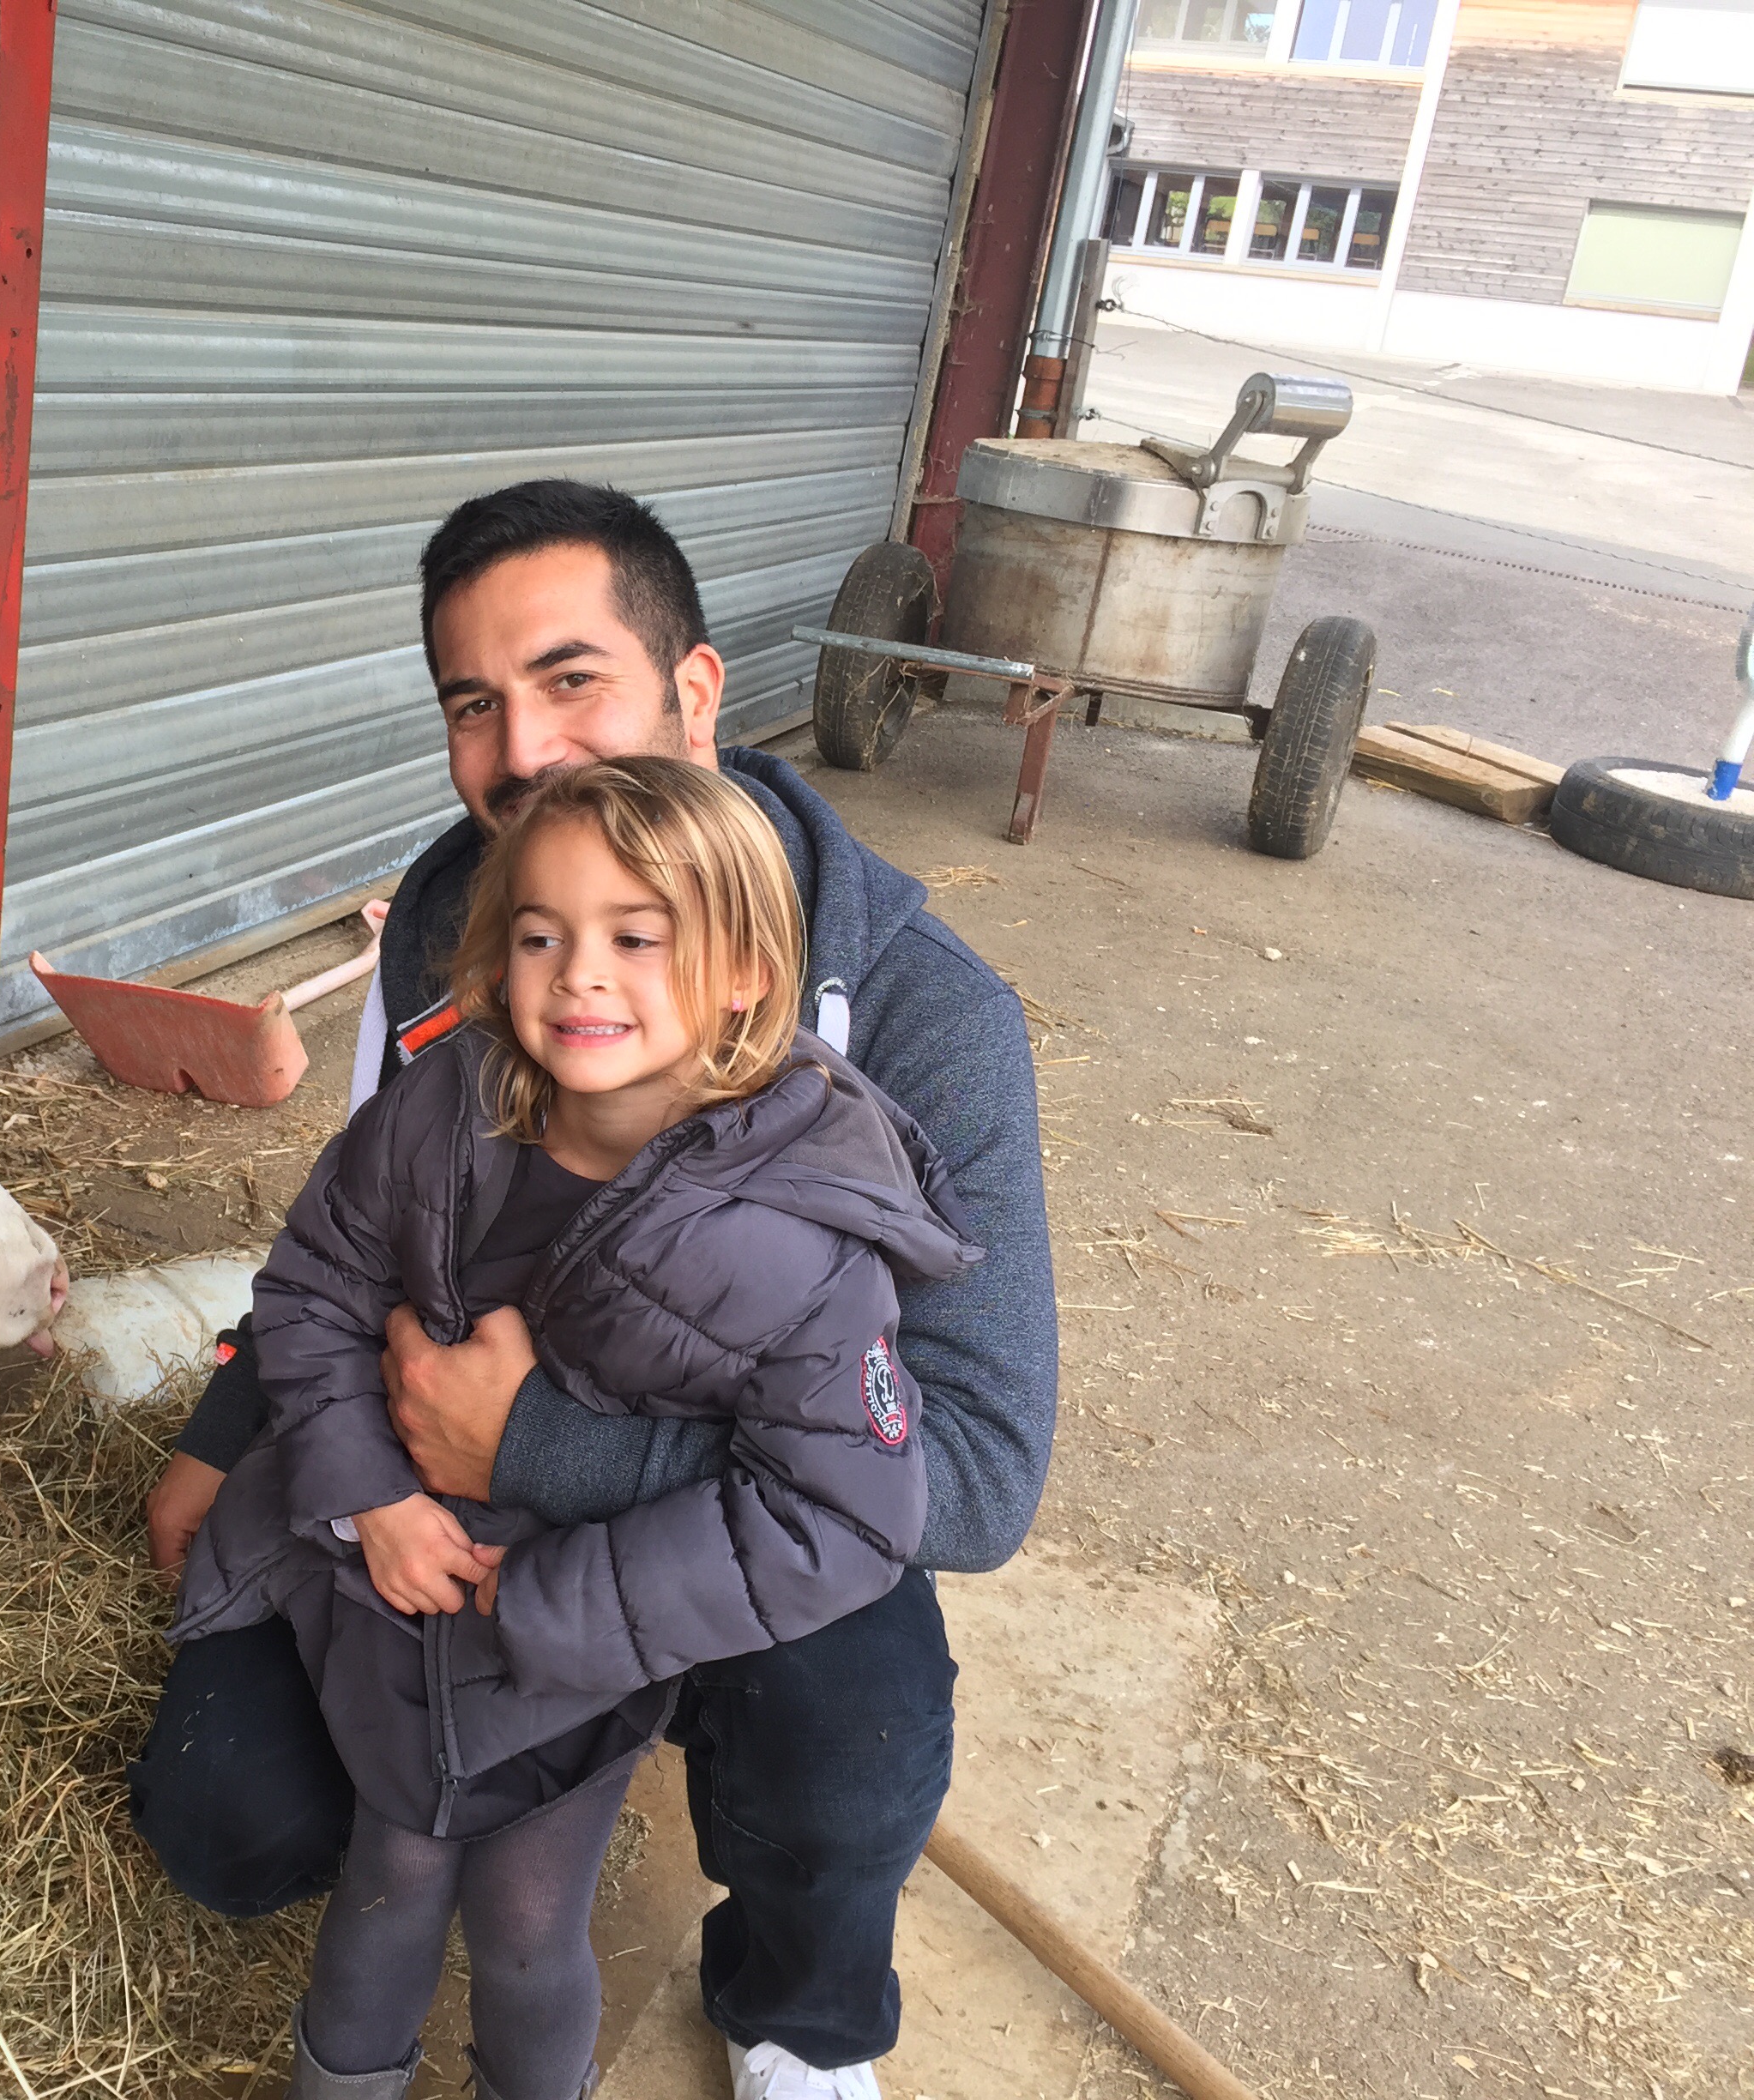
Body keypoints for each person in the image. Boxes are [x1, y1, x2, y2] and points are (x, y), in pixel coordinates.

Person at [132, 480, 1060, 2100]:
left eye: (570, 681)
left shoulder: (928, 1016)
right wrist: (240, 1435)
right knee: (226, 1826)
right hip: (437, 1522)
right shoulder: (459, 930)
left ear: (694, 693)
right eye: (473, 705)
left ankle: (797, 2014)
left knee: (851, 1733)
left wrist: (541, 1450)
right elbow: (356, 1237)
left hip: (743, 1517)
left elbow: (972, 1478)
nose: (522, 752)